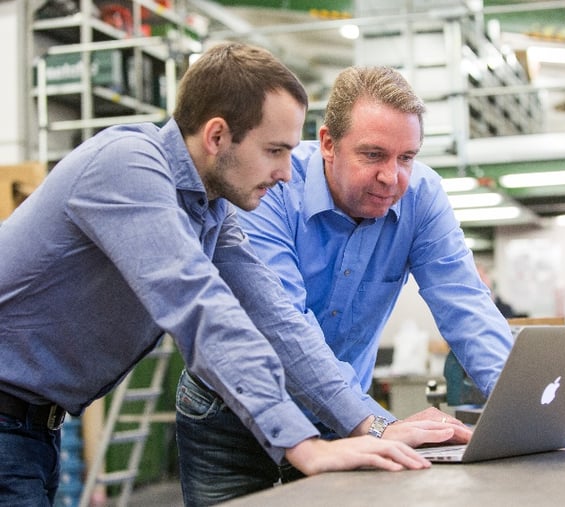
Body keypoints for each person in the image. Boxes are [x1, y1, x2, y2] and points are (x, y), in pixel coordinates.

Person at [0, 43, 459, 506]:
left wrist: (373, 424)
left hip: (33, 426)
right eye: (275, 150)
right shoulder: (127, 167)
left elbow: (274, 319)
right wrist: (303, 445)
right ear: (218, 136)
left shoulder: (211, 210)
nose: (286, 173)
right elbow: (200, 310)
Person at [177, 65, 565, 505]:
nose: (392, 177)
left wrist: (530, 410)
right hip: (233, 414)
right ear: (327, 144)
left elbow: (466, 305)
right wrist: (377, 424)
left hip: (340, 419)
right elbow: (282, 327)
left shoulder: (422, 196)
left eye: (406, 157)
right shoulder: (269, 187)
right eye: (373, 155)